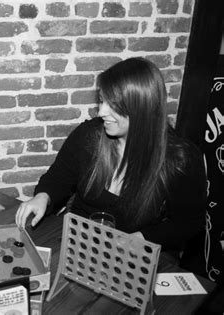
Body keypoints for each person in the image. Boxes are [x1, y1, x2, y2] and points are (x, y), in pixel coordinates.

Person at [16, 57, 206, 252]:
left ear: (141, 109)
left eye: (112, 105)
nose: (101, 112)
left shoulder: (180, 159)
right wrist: (43, 196)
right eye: (101, 100)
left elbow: (189, 222)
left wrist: (143, 238)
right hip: (77, 242)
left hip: (135, 255)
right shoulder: (90, 136)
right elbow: (59, 177)